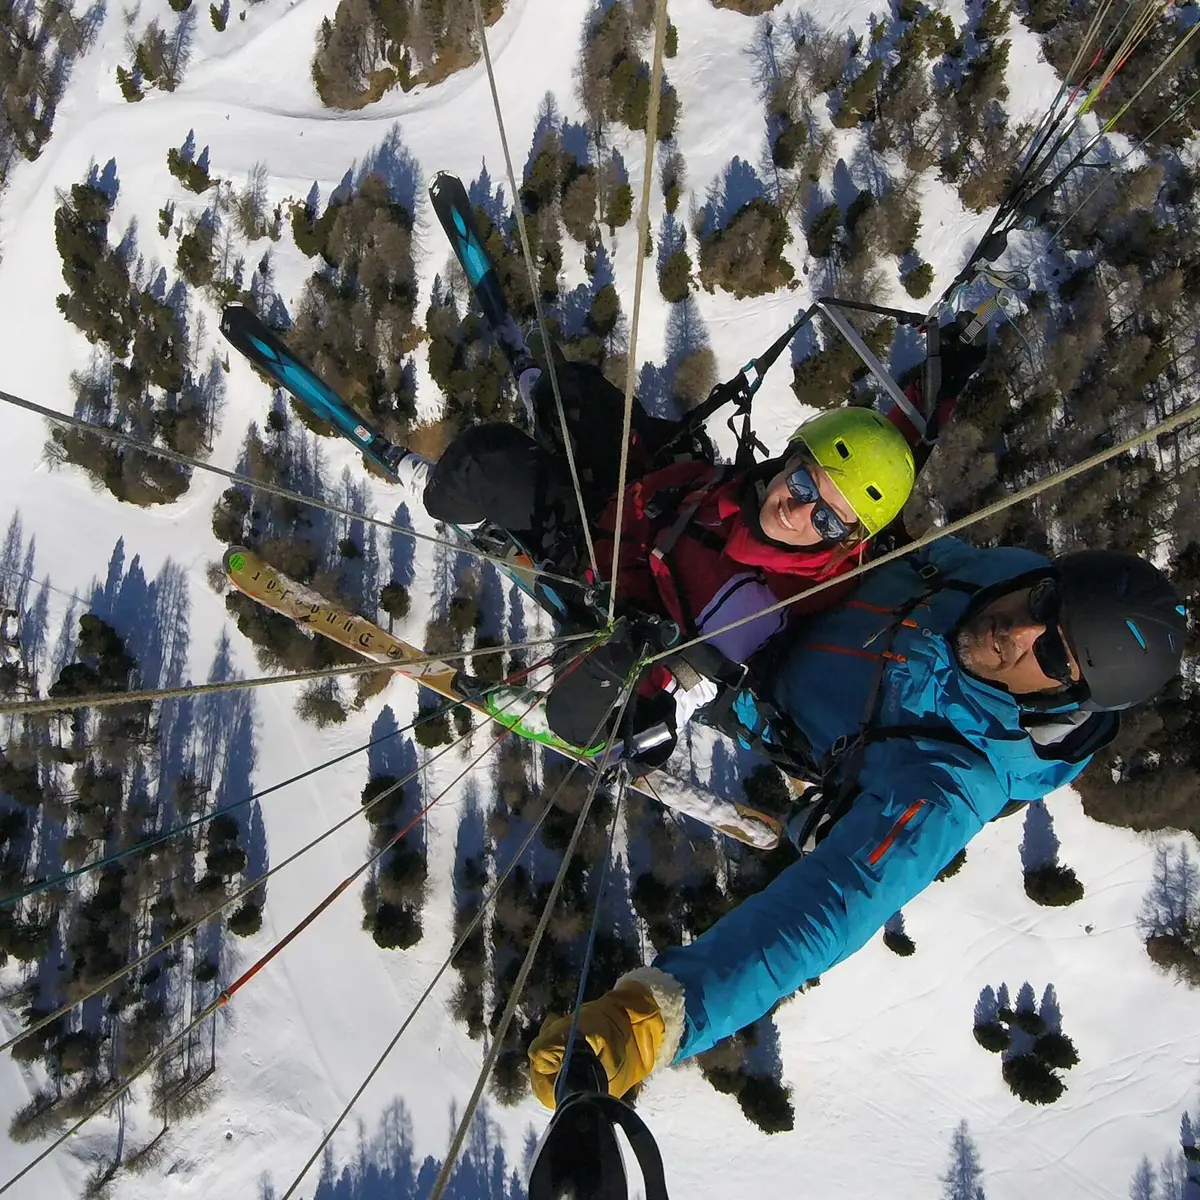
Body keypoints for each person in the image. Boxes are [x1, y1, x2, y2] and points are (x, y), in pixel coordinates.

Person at [525, 543, 1188, 1106]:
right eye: (1047, 604)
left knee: (586, 598)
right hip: (779, 580)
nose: (1017, 631)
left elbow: (835, 906)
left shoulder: (953, 781)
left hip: (744, 678)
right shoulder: (1007, 575)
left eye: (1053, 658)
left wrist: (656, 1019)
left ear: (1065, 701)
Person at [395, 358, 918, 758]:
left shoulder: (753, 604)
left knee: (483, 463)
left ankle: (458, 507)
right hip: (641, 505)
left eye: (826, 520)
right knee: (573, 392)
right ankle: (546, 396)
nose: (798, 510)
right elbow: (903, 439)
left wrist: (628, 706)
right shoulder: (742, 493)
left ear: (846, 542)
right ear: (790, 459)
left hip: (600, 574)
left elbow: (676, 695)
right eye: (805, 482)